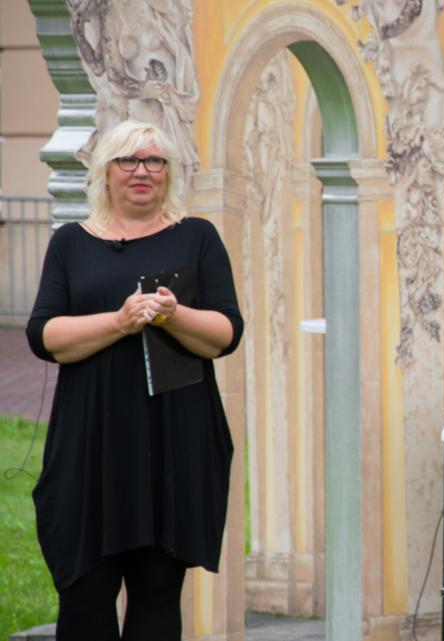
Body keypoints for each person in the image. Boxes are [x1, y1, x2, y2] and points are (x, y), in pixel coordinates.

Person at [26, 120, 242, 641]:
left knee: (157, 593)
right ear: (105, 172)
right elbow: (45, 335)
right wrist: (121, 321)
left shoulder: (197, 237)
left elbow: (225, 333)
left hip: (173, 439)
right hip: (90, 442)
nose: (142, 172)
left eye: (154, 161)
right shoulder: (71, 243)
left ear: (169, 173)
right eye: (129, 160)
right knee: (83, 593)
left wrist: (173, 315)